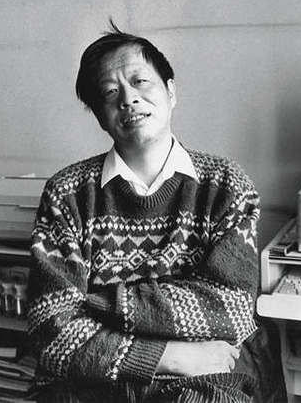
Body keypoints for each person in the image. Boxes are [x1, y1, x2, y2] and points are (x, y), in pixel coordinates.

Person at [27, 20, 262, 402]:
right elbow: (50, 328)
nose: (128, 99)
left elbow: (229, 309)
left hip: (203, 379)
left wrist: (97, 304)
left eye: (140, 82)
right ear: (99, 115)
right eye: (110, 92)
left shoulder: (226, 185)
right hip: (93, 386)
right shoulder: (66, 194)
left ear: (171, 91)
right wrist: (170, 356)